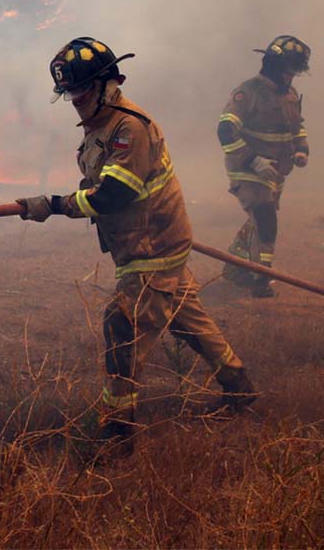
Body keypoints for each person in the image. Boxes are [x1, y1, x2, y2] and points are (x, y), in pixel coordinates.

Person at [16, 38, 256, 450]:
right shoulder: (101, 127)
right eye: (69, 93)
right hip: (151, 242)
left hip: (151, 248)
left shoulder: (129, 128)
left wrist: (54, 205)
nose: (75, 100)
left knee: (122, 325)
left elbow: (114, 195)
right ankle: (239, 386)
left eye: (83, 90)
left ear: (111, 84)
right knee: (186, 317)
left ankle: (118, 429)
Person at [217, 35, 311, 298]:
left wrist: (302, 150)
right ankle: (261, 278)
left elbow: (297, 126)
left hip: (276, 172)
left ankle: (235, 269)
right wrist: (254, 161)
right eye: (288, 71)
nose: (291, 77)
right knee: (267, 218)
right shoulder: (247, 93)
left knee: (257, 222)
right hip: (247, 170)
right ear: (273, 66)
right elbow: (225, 131)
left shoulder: (290, 94)